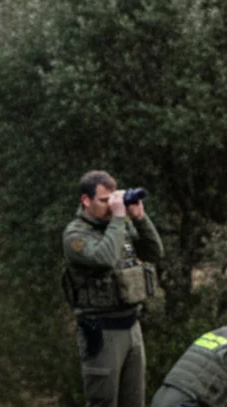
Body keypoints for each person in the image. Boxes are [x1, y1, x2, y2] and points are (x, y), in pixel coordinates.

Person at [63, 171, 165, 407]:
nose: (111, 206)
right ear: (86, 201)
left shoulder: (118, 227)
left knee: (135, 401)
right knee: (104, 402)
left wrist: (140, 218)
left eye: (113, 199)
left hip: (132, 326)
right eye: (103, 201)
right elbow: (106, 258)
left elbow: (154, 253)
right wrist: (119, 218)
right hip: (102, 331)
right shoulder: (75, 235)